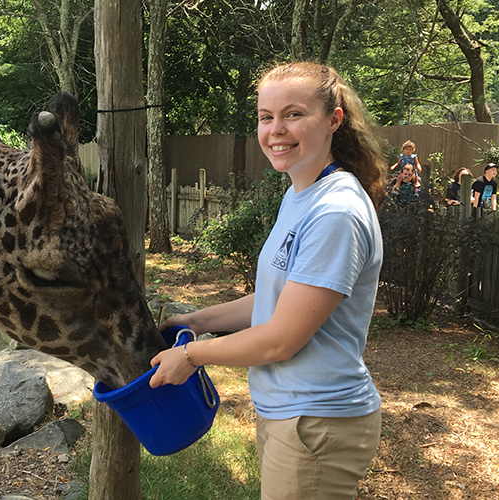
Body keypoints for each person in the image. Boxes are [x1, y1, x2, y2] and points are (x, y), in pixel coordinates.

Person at [149, 61, 385, 500]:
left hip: (317, 420)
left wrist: (193, 355)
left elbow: (280, 338)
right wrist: (197, 320)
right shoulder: (301, 193)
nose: (276, 129)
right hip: (294, 415)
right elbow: (278, 298)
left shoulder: (335, 211)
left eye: (293, 114)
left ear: (334, 119)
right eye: (266, 117)